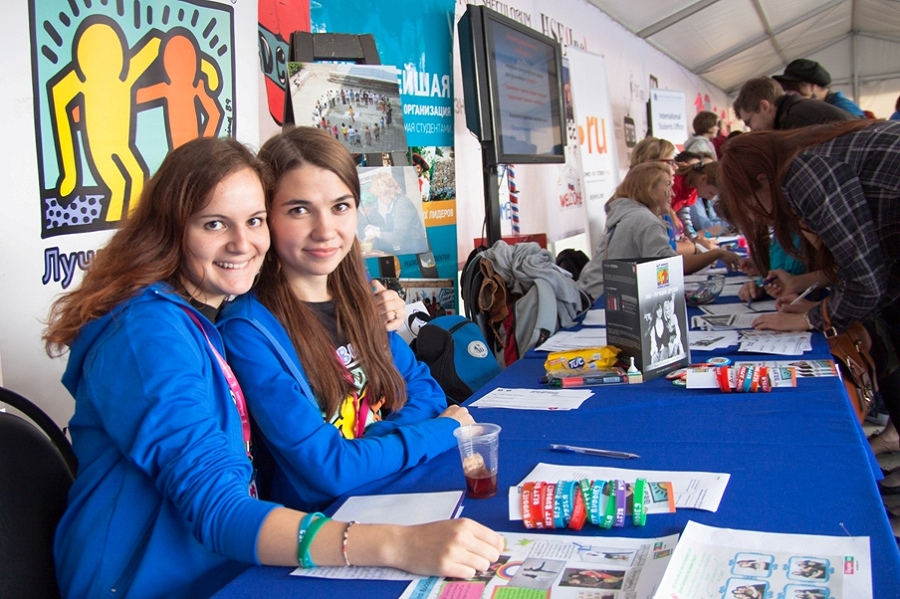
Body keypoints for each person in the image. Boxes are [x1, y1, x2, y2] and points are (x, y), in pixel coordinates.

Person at [44, 137, 503, 599]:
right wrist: (397, 544)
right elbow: (220, 509)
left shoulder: (196, 319)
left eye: (254, 220)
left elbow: (415, 389)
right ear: (170, 228)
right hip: (154, 585)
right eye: (214, 223)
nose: (242, 244)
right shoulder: (147, 335)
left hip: (230, 567)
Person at [217, 127, 472, 512]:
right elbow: (328, 469)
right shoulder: (248, 331)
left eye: (340, 206)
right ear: (266, 218)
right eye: (299, 210)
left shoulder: (363, 297)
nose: (325, 231)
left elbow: (426, 392)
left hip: (398, 490)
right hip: (327, 524)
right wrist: (440, 432)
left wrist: (365, 450)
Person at [717, 120, 900, 454]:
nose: (758, 217)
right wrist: (817, 304)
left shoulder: (803, 172)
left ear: (764, 180)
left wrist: (811, 319)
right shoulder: (812, 156)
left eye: (751, 202)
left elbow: (867, 284)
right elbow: (869, 266)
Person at [577, 162, 741, 300]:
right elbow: (671, 267)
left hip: (592, 291)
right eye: (668, 185)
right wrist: (715, 254)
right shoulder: (645, 220)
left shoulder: (627, 213)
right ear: (649, 188)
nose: (673, 193)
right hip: (604, 298)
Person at [732, 76, 855, 132]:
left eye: (749, 122)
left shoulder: (795, 120)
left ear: (764, 107)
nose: (752, 130)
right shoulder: (795, 109)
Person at [360, 168, 428, 255]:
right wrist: (377, 229)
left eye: (380, 196)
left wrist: (376, 233)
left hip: (415, 250)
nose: (380, 200)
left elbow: (397, 238)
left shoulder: (402, 204)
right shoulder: (393, 204)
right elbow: (391, 229)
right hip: (406, 248)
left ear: (389, 191)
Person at [773, 58, 865, 118]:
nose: (789, 94)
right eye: (786, 87)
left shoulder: (845, 107)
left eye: (794, 87)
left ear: (812, 87)